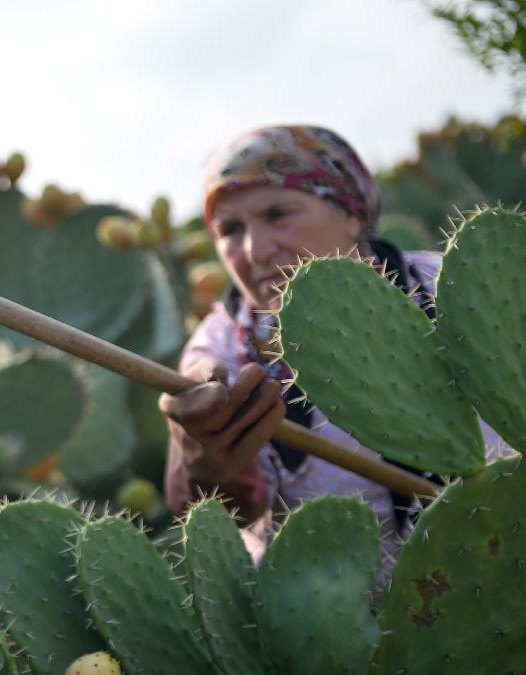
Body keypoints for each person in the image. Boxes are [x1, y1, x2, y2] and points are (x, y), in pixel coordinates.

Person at [159, 124, 508, 572]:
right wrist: (208, 461)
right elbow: (204, 506)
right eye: (230, 229)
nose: (255, 250)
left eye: (278, 213)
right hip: (349, 626)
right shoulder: (222, 349)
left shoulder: (453, 287)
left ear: (351, 214)